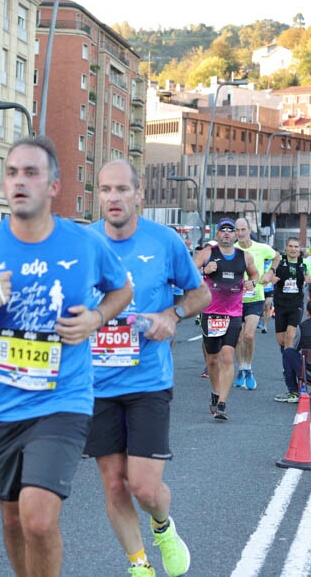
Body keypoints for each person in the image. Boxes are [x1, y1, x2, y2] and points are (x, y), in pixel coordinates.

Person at [0, 136, 132, 577]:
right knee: (12, 517)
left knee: (38, 518)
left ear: (54, 185)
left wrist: (97, 318)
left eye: (31, 173)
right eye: (12, 173)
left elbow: (123, 289)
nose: (19, 181)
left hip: (63, 400)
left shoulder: (83, 243)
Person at [87, 160, 209, 577]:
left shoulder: (164, 241)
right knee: (114, 482)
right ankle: (139, 565)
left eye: (122, 189)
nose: (113, 197)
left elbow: (201, 293)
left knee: (144, 486)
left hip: (147, 381)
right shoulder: (83, 243)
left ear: (140, 195)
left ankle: (162, 527)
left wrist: (173, 315)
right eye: (105, 190)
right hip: (96, 383)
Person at [193, 218, 259, 421]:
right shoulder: (207, 253)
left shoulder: (244, 256)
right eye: (223, 230)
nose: (228, 233)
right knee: (213, 359)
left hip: (233, 314)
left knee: (228, 356)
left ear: (236, 235)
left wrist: (252, 283)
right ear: (217, 234)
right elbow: (189, 272)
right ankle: (215, 392)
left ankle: (222, 403)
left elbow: (254, 273)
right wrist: (204, 270)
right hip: (211, 312)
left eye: (231, 230)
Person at [233, 218, 279, 390]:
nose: (240, 233)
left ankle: (249, 368)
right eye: (237, 230)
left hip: (255, 297)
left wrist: (270, 273)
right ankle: (241, 368)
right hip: (235, 299)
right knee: (237, 337)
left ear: (249, 229)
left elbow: (276, 256)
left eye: (243, 229)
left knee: (249, 335)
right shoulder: (232, 249)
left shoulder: (261, 248)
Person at [272, 238, 311, 404]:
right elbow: (268, 275)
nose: (293, 249)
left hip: (296, 304)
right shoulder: (279, 262)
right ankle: (288, 365)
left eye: (296, 246)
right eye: (290, 246)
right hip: (280, 305)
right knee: (282, 343)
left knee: (290, 337)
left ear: (299, 249)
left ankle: (294, 383)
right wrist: (270, 278)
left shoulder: (304, 263)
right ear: (286, 248)